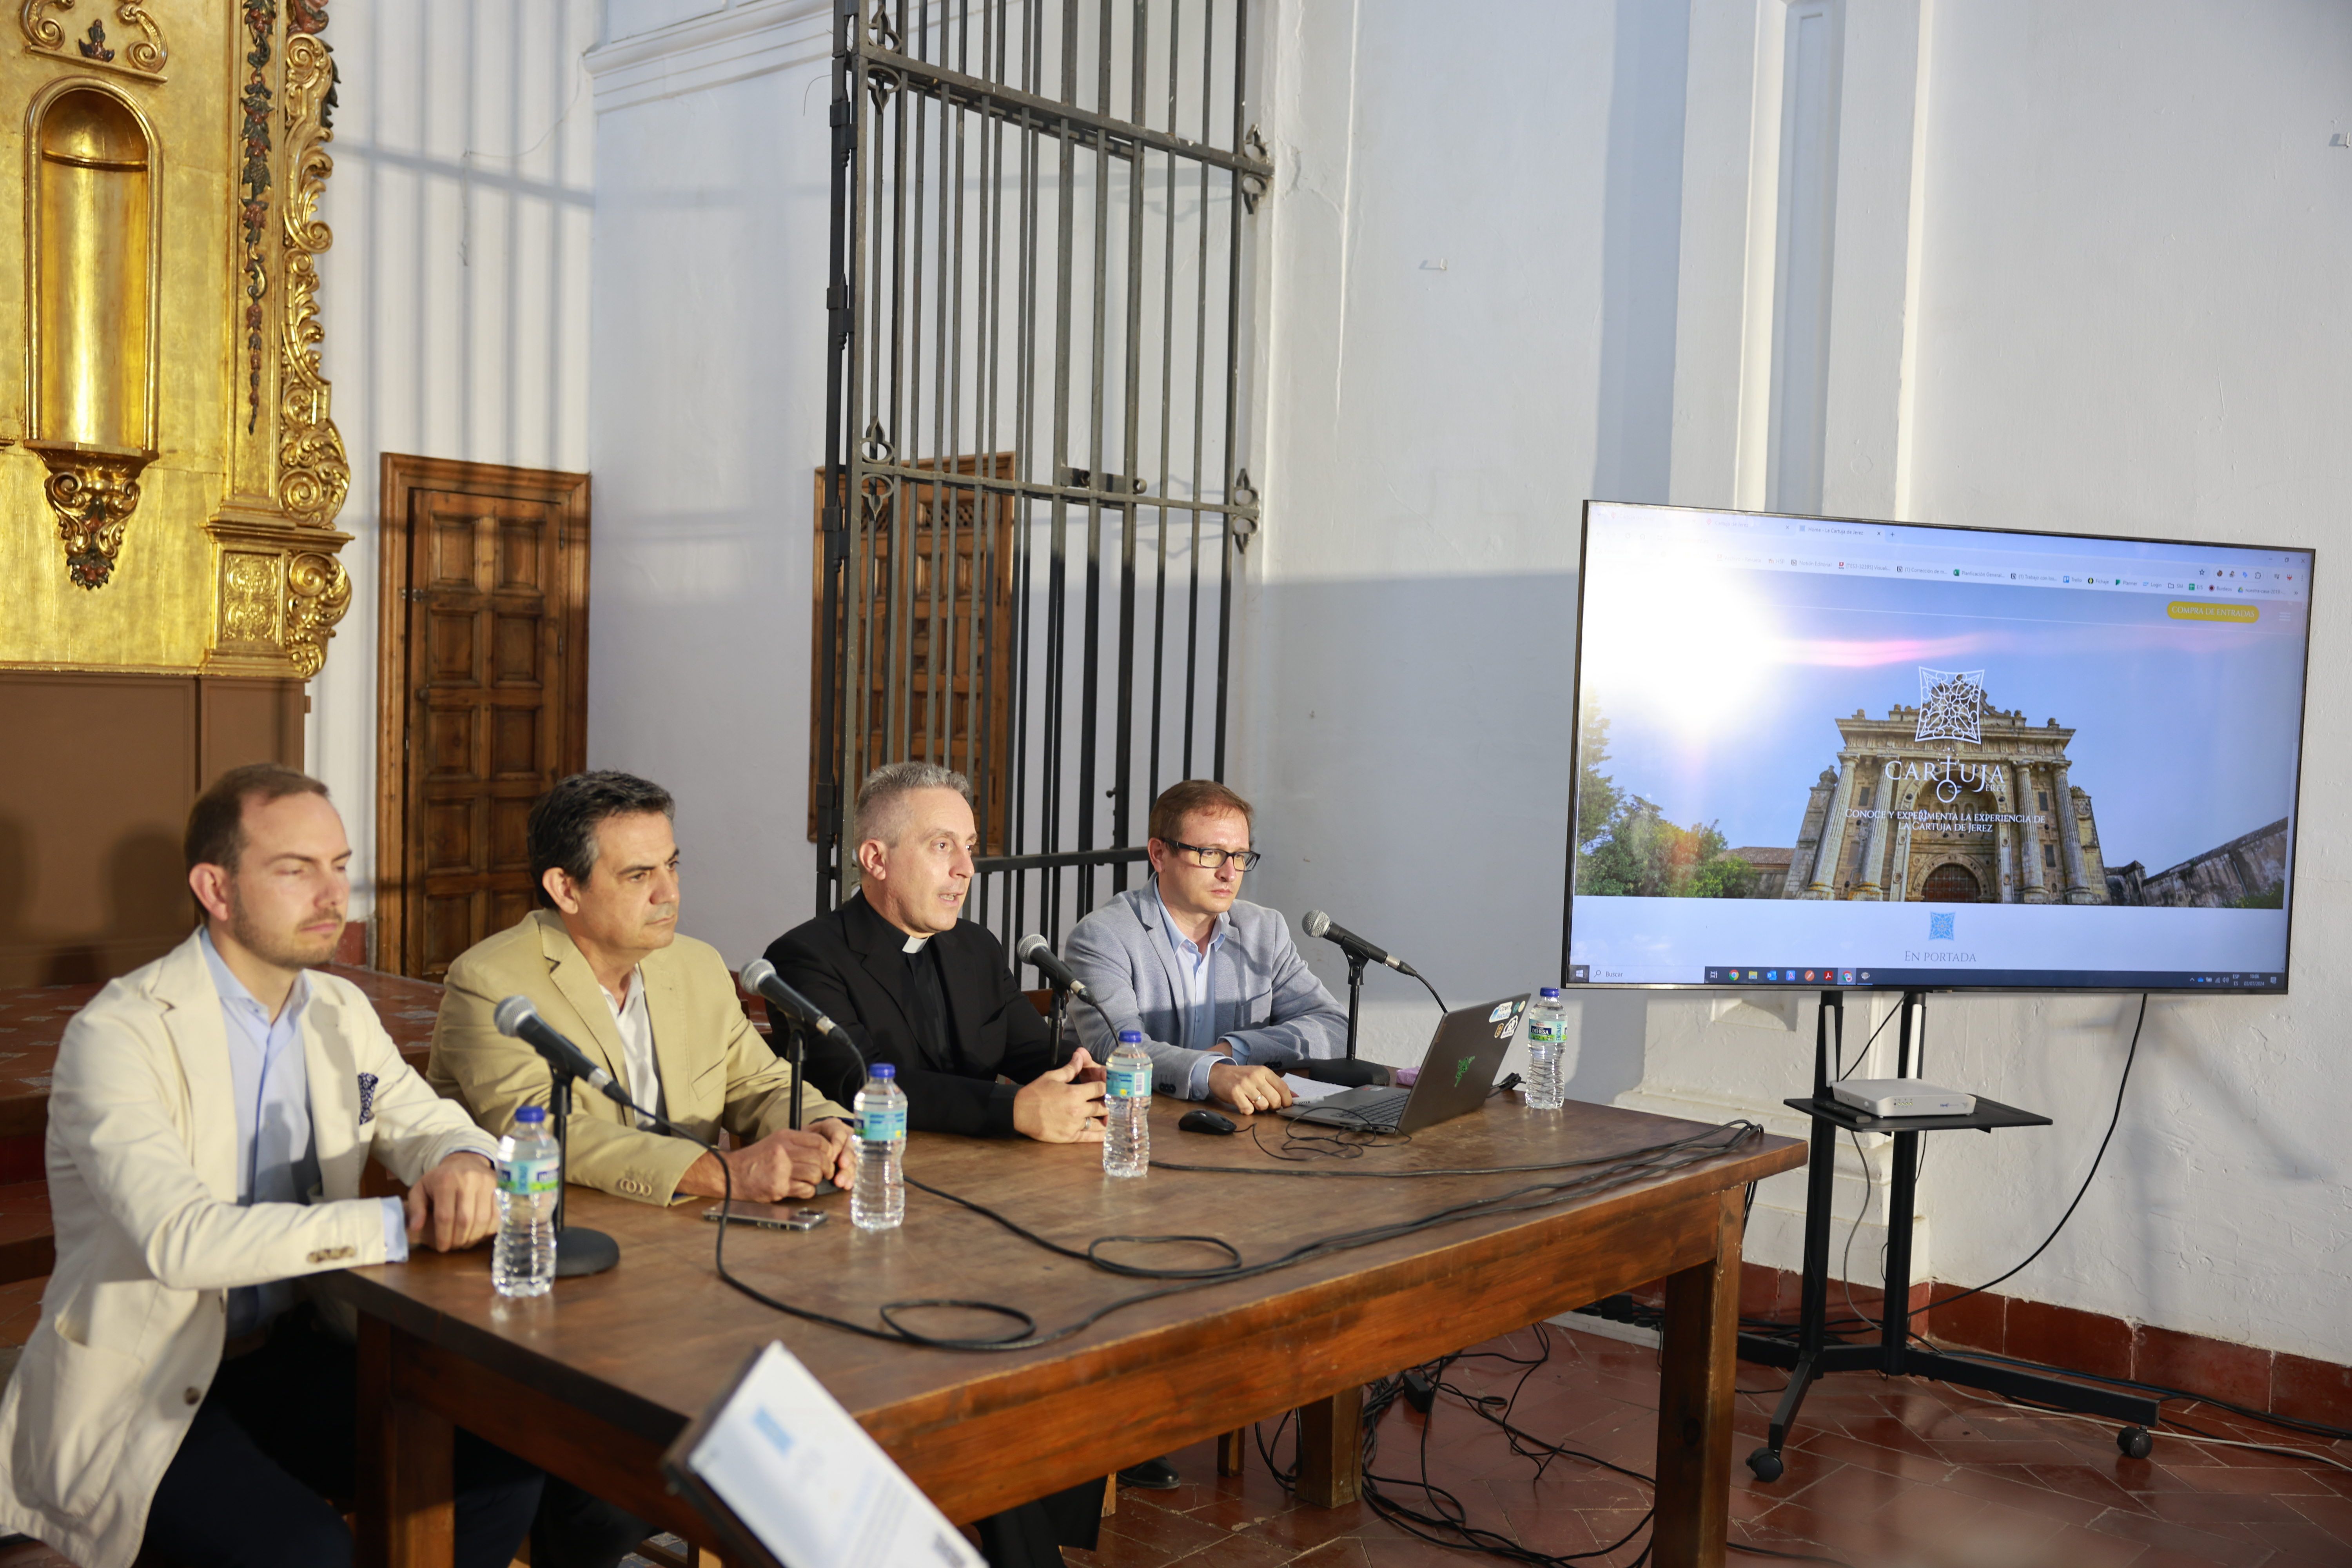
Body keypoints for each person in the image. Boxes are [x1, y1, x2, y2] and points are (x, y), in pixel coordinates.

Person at [0, 764, 541, 1568]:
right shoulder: (118, 1032)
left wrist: (460, 1157)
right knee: (306, 1549)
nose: (333, 894)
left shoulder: (340, 1009)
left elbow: (425, 1120)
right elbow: (182, 1241)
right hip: (149, 1376)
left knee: (504, 1458)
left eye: (339, 865)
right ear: (215, 888)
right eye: (295, 869)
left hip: (297, 1345)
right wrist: (402, 1221)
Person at [429, 770, 858, 1568]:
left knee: (834, 1384)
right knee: (621, 1475)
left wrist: (825, 1123)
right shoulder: (491, 981)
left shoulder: (692, 965)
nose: (669, 893)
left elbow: (758, 1081)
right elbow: (552, 1133)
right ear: (564, 886)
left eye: (673, 865)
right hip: (562, 1290)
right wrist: (721, 1172)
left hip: (690, 1272)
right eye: (638, 874)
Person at [762, 761, 1120, 1563]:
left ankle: (1028, 1525)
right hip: (876, 1217)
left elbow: (1029, 1050)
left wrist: (1079, 1071)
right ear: (876, 858)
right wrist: (1015, 1111)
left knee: (1080, 1311)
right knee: (997, 1354)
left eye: (970, 847)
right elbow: (857, 1082)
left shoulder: (976, 948)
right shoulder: (805, 956)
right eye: (942, 846)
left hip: (984, 1204)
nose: (966, 870)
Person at [1063, 779, 1347, 1113]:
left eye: (1239, 855)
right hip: (1131, 1128)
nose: (1230, 873)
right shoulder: (1103, 936)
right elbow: (1118, 1048)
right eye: (1211, 853)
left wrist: (1233, 1051)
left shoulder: (1263, 931)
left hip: (1238, 1128)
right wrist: (1212, 1074)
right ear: (1159, 854)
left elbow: (1333, 1027)